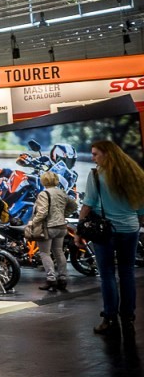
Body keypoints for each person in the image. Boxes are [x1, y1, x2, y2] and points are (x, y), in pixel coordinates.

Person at [78, 140, 144, 334]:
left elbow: (88, 204)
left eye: (95, 154)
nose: (93, 158)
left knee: (107, 274)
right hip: (130, 229)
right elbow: (141, 209)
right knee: (127, 273)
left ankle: (110, 319)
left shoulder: (96, 175)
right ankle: (128, 318)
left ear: (107, 154)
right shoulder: (135, 174)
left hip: (105, 232)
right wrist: (135, 223)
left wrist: (79, 231)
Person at [27, 172, 70, 293]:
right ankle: (62, 279)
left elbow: (42, 212)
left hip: (48, 227)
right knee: (59, 252)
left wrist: (33, 223)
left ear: (43, 181)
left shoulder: (44, 194)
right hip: (61, 226)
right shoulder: (62, 192)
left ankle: (51, 279)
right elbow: (73, 205)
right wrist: (63, 215)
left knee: (45, 253)